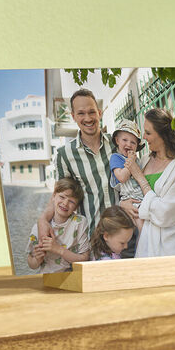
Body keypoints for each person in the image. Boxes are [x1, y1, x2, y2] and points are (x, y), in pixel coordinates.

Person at [37, 89, 117, 241]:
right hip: (93, 238)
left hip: (125, 236)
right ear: (73, 116)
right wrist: (43, 219)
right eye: (81, 113)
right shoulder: (65, 155)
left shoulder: (117, 143)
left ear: (99, 113)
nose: (88, 118)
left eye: (91, 112)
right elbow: (59, 195)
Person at [122, 108, 175, 258]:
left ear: (163, 135)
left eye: (148, 133)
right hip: (143, 245)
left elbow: (164, 213)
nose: (144, 138)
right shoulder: (144, 160)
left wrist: (140, 178)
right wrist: (124, 204)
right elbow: (129, 191)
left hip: (170, 249)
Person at [26, 177, 91, 274]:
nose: (65, 203)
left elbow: (85, 259)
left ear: (76, 207)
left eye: (71, 201)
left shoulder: (79, 222)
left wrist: (58, 249)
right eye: (62, 197)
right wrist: (37, 259)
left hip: (72, 277)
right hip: (47, 278)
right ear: (53, 196)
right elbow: (31, 264)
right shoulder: (38, 228)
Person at [107, 119, 149, 232]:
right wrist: (130, 162)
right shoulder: (116, 158)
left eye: (133, 142)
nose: (128, 144)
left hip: (143, 198)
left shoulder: (138, 160)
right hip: (130, 199)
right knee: (141, 228)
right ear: (117, 140)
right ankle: (143, 248)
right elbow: (122, 177)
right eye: (125, 140)